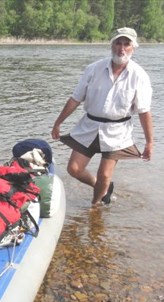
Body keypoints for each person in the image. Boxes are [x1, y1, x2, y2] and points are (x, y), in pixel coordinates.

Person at [51, 27, 153, 206]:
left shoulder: (139, 76)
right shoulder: (93, 69)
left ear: (133, 48)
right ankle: (102, 188)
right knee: (74, 169)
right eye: (118, 43)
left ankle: (95, 206)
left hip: (117, 131)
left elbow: (144, 111)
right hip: (89, 126)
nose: (121, 48)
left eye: (126, 44)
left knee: (104, 174)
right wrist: (58, 123)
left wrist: (149, 142)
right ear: (111, 45)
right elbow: (75, 99)